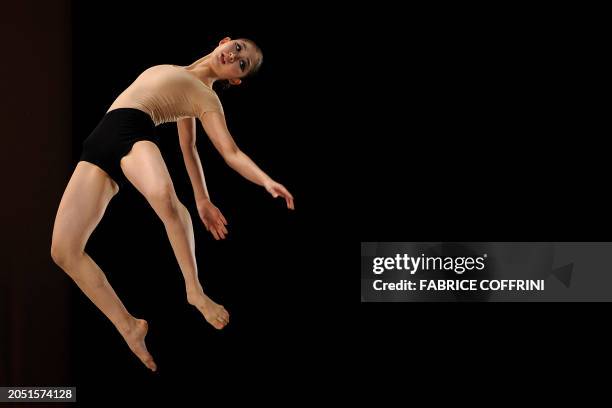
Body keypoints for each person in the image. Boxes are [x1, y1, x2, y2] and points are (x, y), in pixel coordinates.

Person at [50, 37, 294, 372]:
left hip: (133, 132)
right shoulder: (183, 77)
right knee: (63, 251)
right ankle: (128, 326)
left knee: (165, 198)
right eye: (237, 48)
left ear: (235, 79)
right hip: (98, 142)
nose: (234, 56)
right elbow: (188, 148)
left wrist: (265, 180)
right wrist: (203, 198)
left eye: (242, 63)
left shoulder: (206, 98)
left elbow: (230, 152)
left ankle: (194, 292)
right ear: (225, 41)